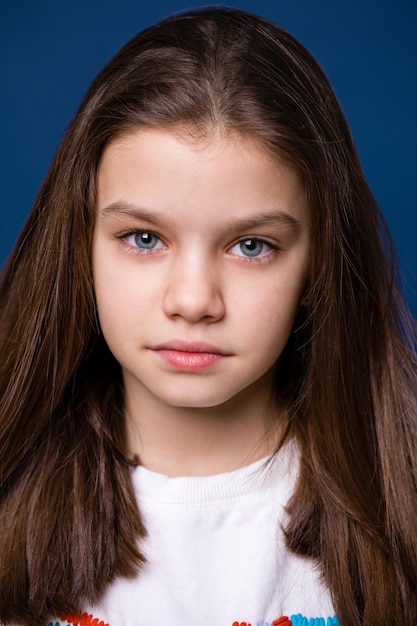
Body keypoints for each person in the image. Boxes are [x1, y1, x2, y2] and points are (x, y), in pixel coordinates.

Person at [0, 6, 416, 626]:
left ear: (319, 265)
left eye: (252, 246)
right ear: (78, 245)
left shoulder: (401, 511)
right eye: (143, 238)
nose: (193, 301)